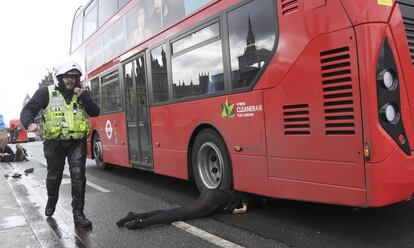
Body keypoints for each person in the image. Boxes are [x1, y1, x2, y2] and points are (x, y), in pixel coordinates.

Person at [20, 62, 100, 227]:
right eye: (67, 77)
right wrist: (30, 124)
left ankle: (78, 214)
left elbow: (95, 111)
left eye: (74, 77)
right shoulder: (46, 92)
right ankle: (51, 201)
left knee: (78, 177)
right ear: (60, 78)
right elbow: (27, 110)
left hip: (76, 142)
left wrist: (85, 96)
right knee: (54, 176)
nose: (70, 80)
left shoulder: (82, 94)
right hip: (54, 143)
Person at [116, 189, 265, 229]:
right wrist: (244, 208)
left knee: (178, 211)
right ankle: (141, 223)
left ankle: (134, 216)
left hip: (212, 195)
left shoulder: (246, 193)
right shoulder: (252, 199)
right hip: (215, 200)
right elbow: (244, 204)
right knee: (180, 214)